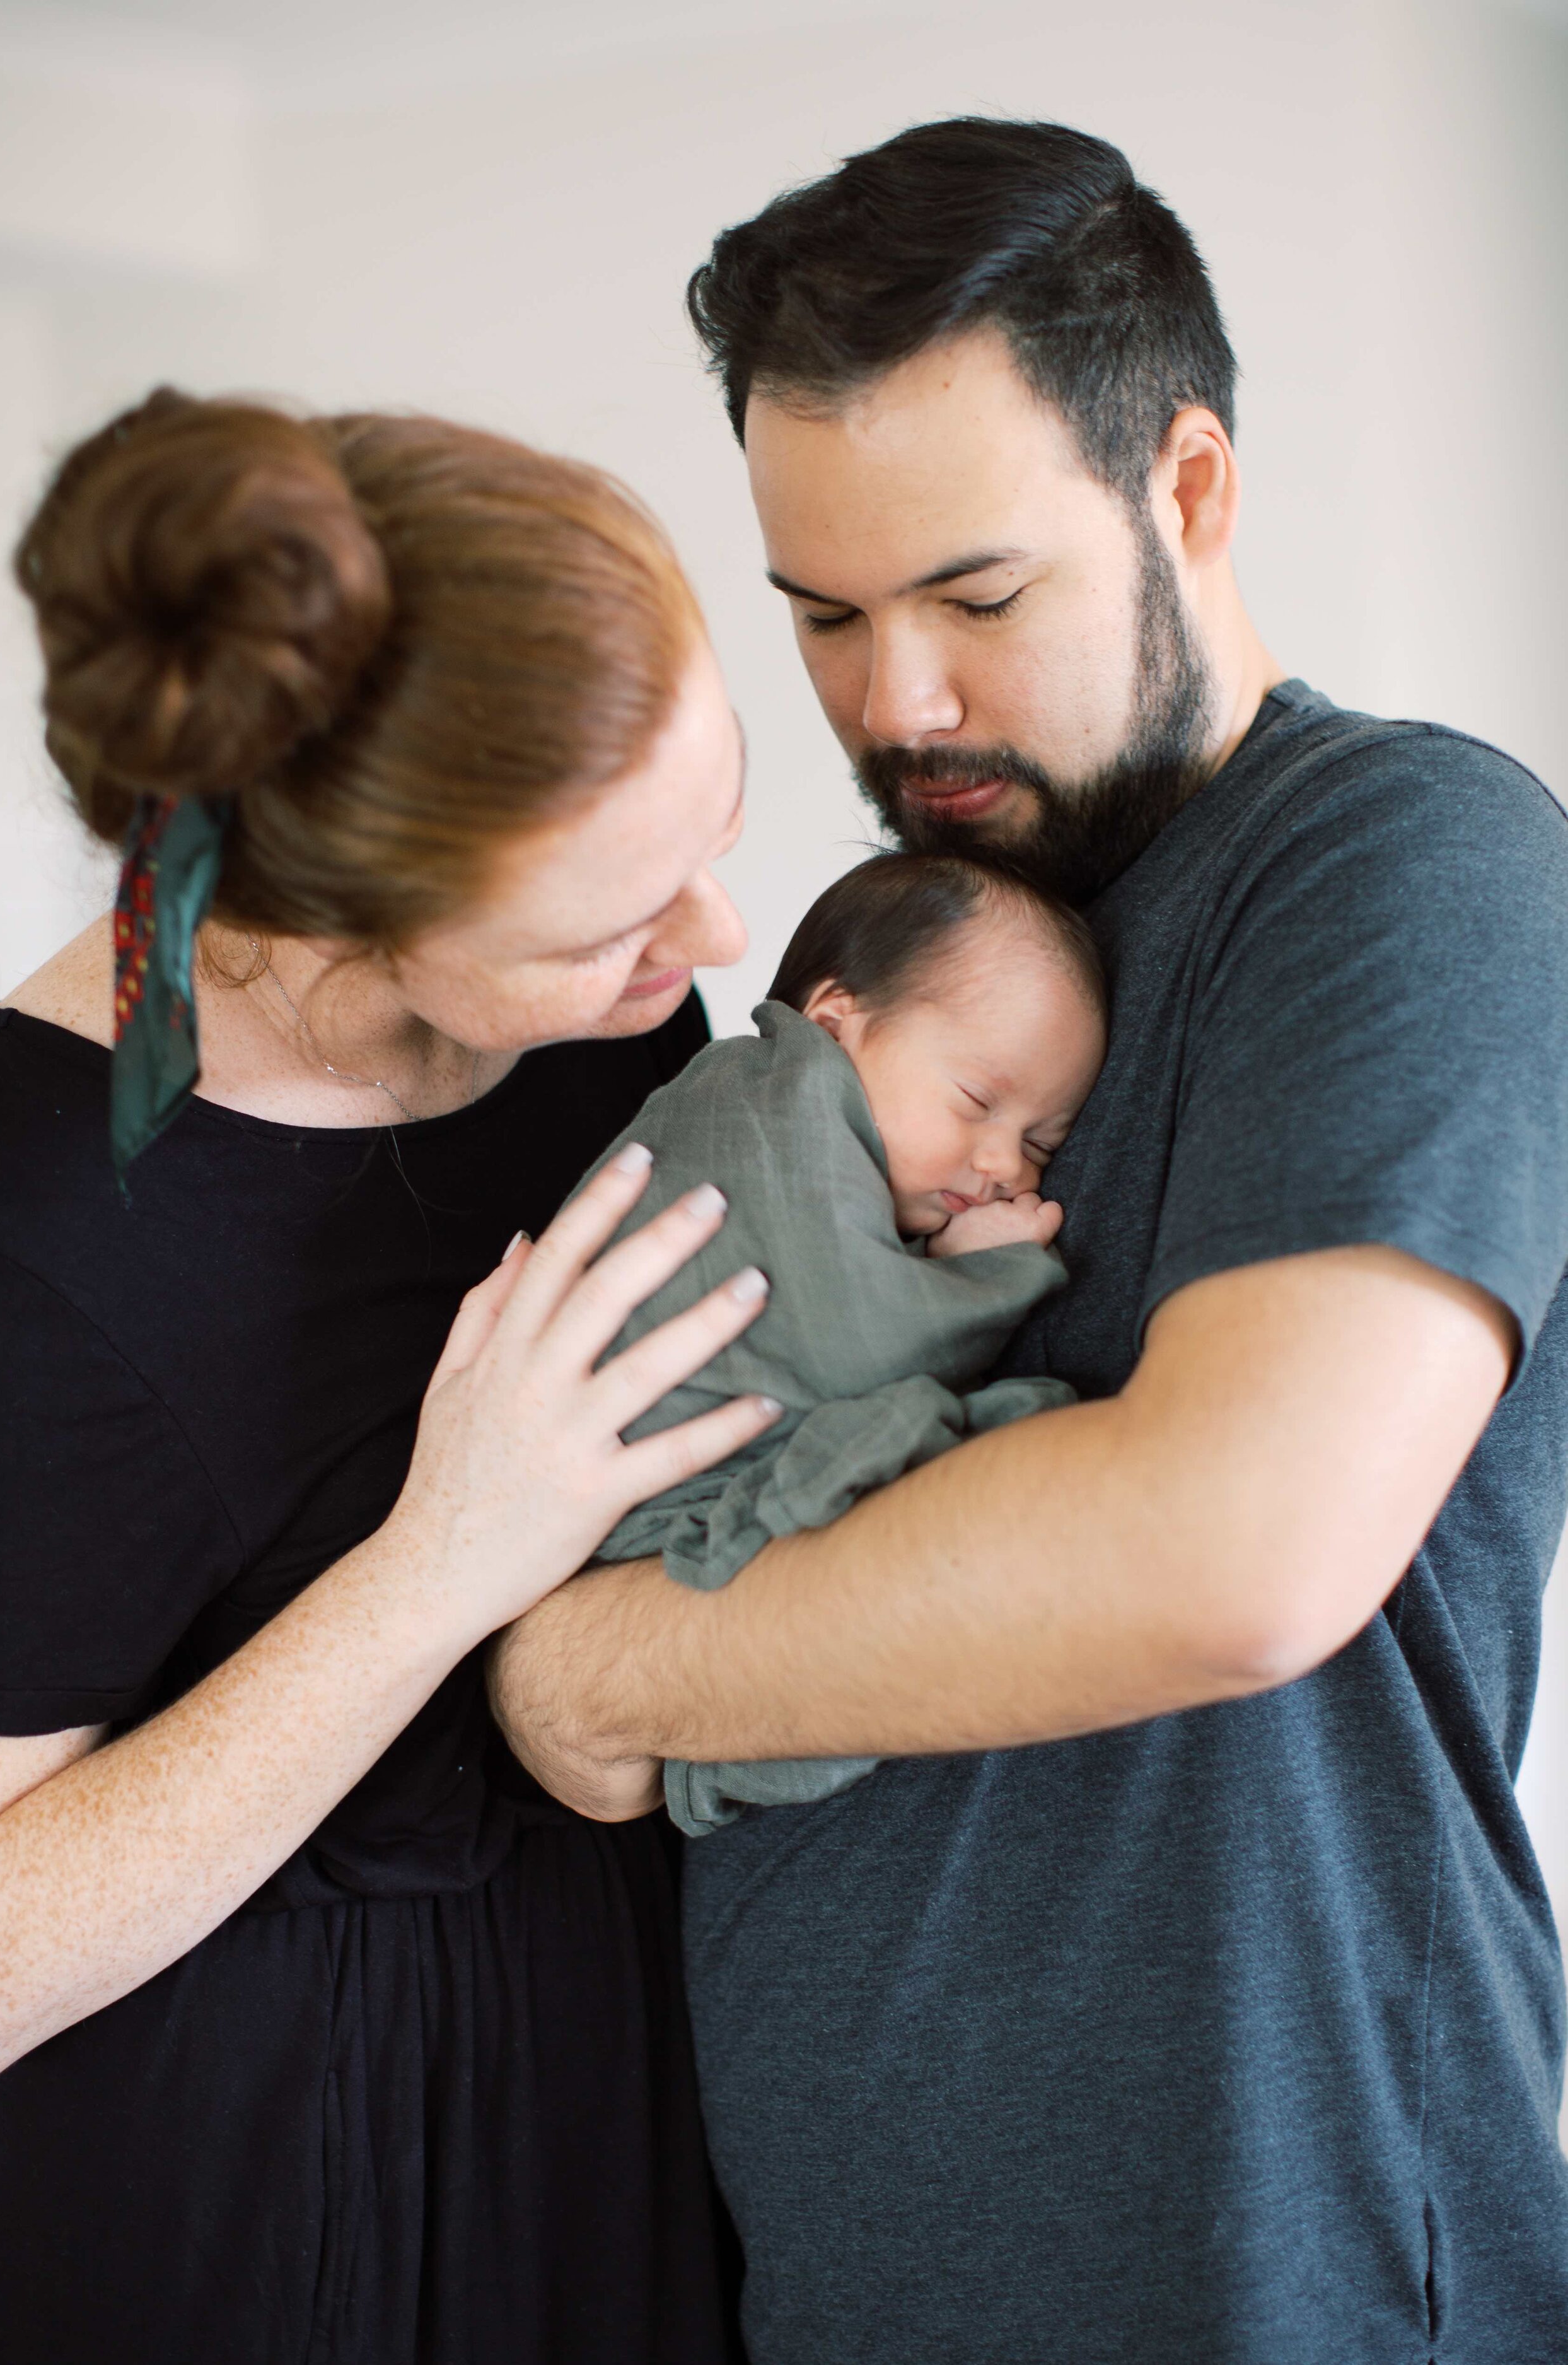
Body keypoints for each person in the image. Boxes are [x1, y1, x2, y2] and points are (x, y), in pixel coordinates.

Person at [488, 119, 1568, 2363]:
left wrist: (598, 1675)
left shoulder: (1402, 866)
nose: (897, 706)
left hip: (1288, 2280)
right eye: (827, 618)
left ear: (1187, 491)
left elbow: (1234, 1549)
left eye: (975, 602)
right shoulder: (898, 961)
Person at [0, 387, 782, 2363]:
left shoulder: (614, 1025)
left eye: (713, 831)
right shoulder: (33, 1231)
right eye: (616, 919)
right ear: (343, 916)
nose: (711, 937)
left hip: (627, 2106)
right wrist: (442, 1558)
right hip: (261, 2209)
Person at [581, 851, 1102, 1834]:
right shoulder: (764, 1100)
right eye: (974, 1101)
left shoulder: (825, 1134)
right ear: (834, 1025)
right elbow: (843, 1336)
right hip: (623, 1533)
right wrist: (988, 1271)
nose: (1002, 1164)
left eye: (1042, 1142)